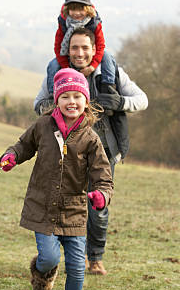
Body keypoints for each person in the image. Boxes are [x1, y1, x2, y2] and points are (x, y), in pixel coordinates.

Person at [0, 69, 113, 290]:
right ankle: (41, 278)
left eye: (77, 96)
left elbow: (104, 177)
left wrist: (101, 195)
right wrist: (11, 157)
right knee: (49, 258)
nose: (71, 101)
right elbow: (22, 145)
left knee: (76, 266)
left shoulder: (91, 139)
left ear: (86, 101)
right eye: (65, 96)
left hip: (74, 212)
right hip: (42, 208)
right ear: (56, 100)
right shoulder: (43, 125)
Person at [34, 27, 148, 276]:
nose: (80, 52)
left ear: (95, 50)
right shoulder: (56, 73)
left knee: (98, 206)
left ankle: (95, 257)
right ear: (67, 50)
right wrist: (55, 108)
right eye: (74, 47)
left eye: (85, 47)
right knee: (70, 203)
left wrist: (119, 103)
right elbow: (38, 103)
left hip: (104, 150)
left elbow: (142, 99)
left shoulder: (112, 73)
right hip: (67, 151)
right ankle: (75, 257)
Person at [46, 0, 117, 96]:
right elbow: (58, 46)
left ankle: (108, 89)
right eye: (73, 9)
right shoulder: (64, 23)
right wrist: (66, 68)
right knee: (53, 64)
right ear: (67, 9)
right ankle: (51, 94)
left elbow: (100, 45)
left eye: (81, 9)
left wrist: (92, 66)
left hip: (93, 56)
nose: (77, 13)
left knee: (108, 57)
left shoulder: (94, 22)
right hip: (69, 58)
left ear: (88, 8)